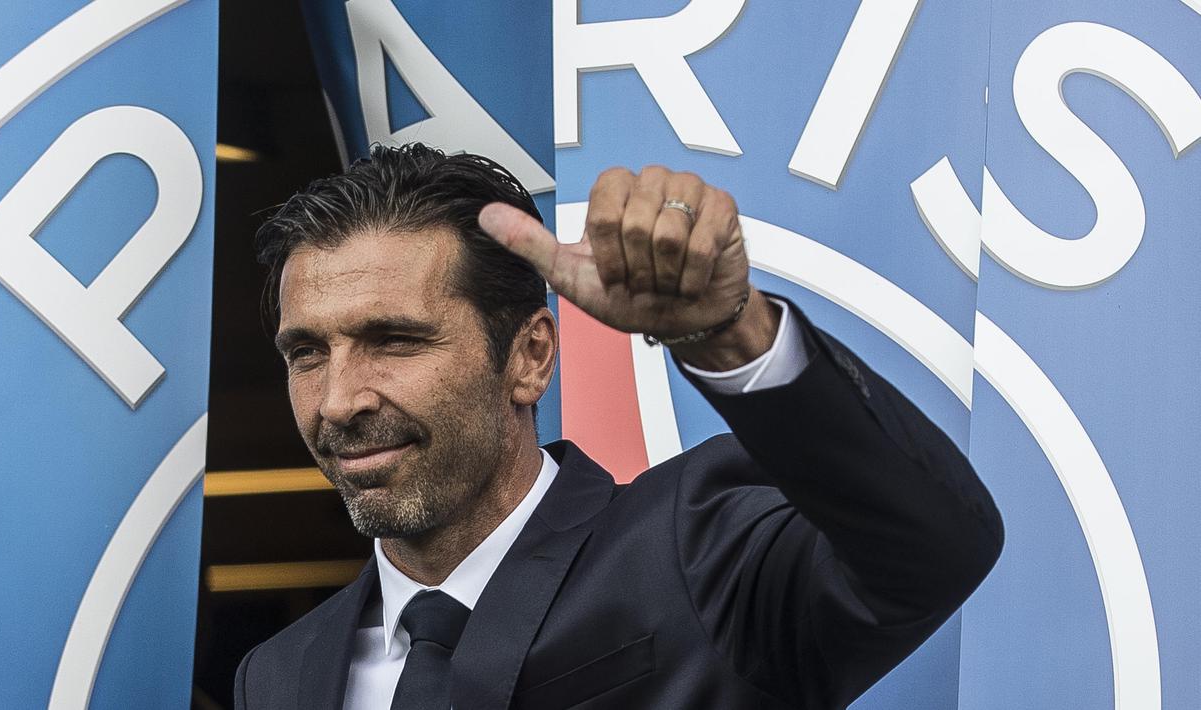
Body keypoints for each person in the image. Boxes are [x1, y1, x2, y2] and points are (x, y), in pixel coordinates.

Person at [234, 143, 1003, 710]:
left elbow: (930, 549)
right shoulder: (275, 676)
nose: (338, 400)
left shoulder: (700, 550)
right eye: (307, 352)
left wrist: (729, 333)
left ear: (529, 357)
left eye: (394, 340)